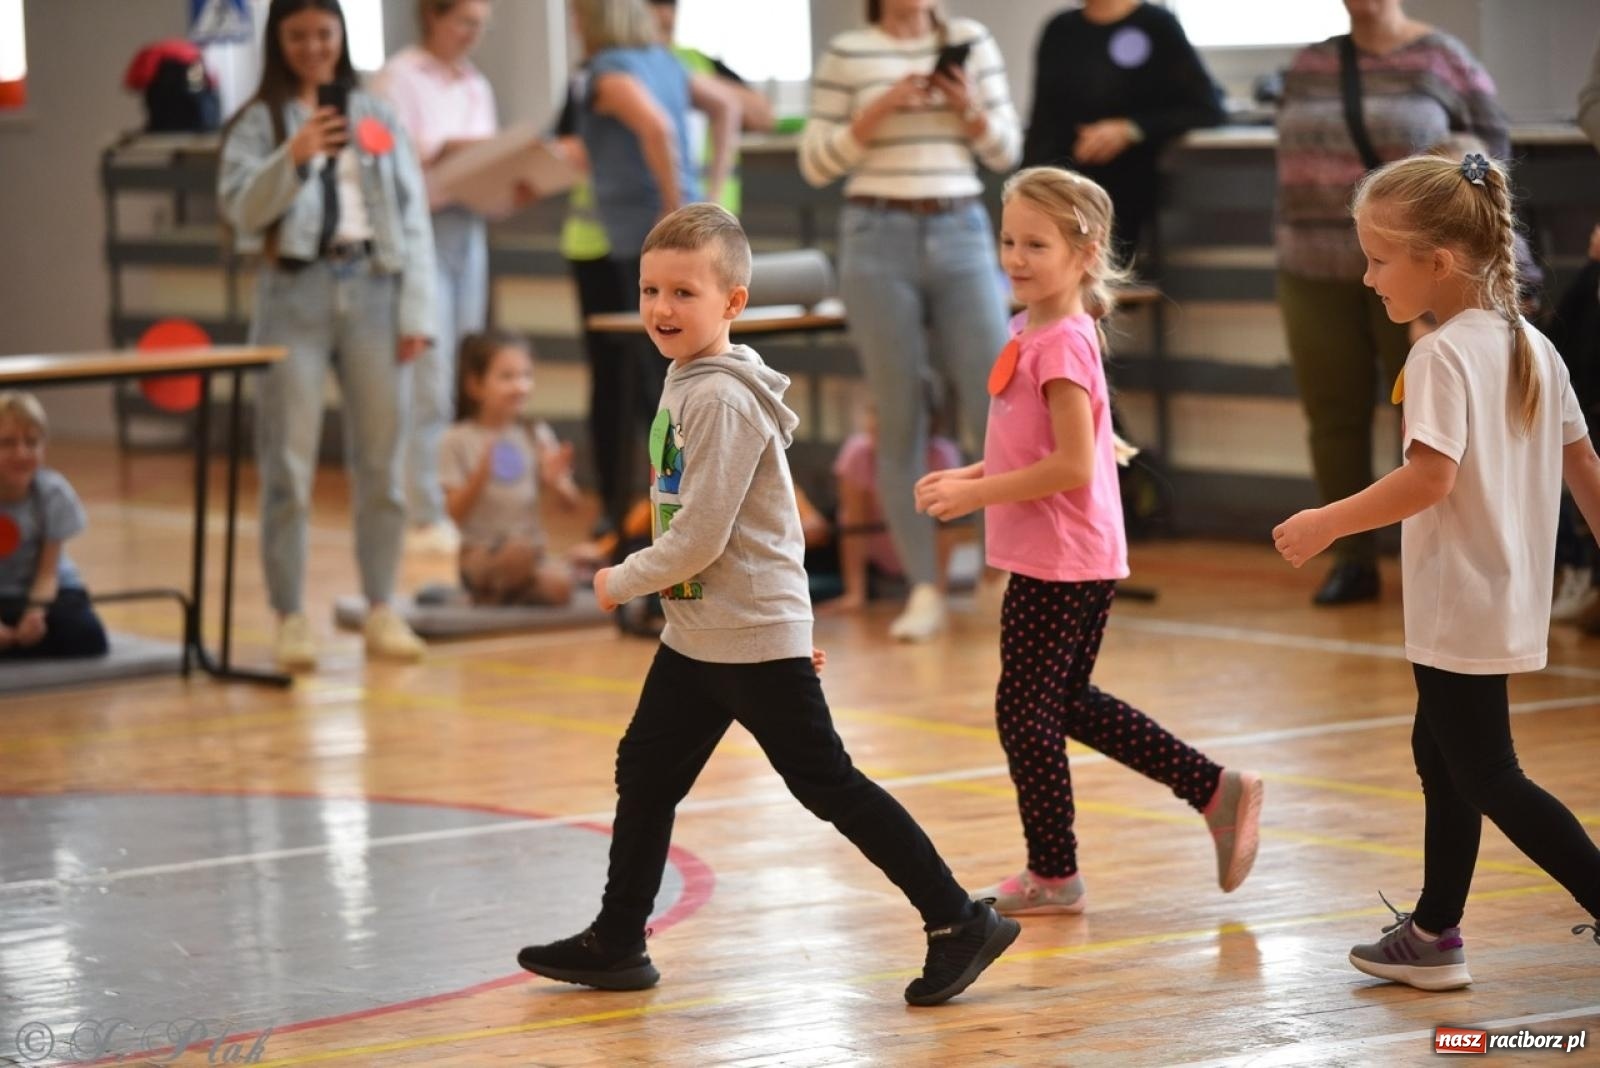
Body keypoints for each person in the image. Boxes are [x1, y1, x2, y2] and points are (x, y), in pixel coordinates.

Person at [515, 204, 1019, 1005]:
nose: (661, 308)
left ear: (733, 302)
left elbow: (701, 536)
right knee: (645, 770)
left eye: (684, 292)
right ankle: (618, 940)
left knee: (827, 783)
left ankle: (958, 920)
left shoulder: (719, 397)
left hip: (743, 633)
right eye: (650, 290)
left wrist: (619, 580)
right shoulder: (689, 378)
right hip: (702, 634)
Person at [1274, 152, 1600, 988]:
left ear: (1440, 262)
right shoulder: (1533, 344)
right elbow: (1586, 469)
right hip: (1503, 596)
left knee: (1487, 773)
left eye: (1379, 260)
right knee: (1443, 755)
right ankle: (1433, 932)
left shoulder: (1441, 356)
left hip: (1461, 601)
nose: (1366, 277)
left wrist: (1326, 521)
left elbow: (1429, 479)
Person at [914, 168, 1263, 915]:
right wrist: (969, 476)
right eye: (1008, 240)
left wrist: (974, 495)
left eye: (1035, 244)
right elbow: (1032, 450)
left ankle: (1054, 872)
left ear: (1085, 251)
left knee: (1025, 714)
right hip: (1059, 552)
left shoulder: (1064, 345)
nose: (1015, 257)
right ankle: (1212, 788)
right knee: (1064, 703)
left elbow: (1074, 464)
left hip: (1063, 557)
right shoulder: (1030, 328)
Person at [219, 0, 434, 670]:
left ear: (341, 35)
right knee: (287, 464)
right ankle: (290, 616)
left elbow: (413, 216)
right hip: (293, 296)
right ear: (277, 41)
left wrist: (417, 314)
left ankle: (381, 606)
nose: (313, 46)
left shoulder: (377, 114)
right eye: (297, 36)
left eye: (323, 33)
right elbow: (241, 211)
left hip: (375, 290)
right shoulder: (258, 120)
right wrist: (293, 155)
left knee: (382, 462)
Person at [1275, 0, 1509, 606]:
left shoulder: (1444, 58)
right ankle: (1349, 558)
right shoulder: (1310, 63)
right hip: (1310, 264)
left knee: (1424, 415)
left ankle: (1439, 559)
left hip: (1415, 269)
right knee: (1332, 414)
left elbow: (1486, 163)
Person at [801, 0, 1020, 641]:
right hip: (875, 232)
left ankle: (1004, 571)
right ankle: (924, 587)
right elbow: (815, 162)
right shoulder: (849, 52)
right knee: (899, 416)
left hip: (961, 226)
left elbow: (1006, 150)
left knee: (998, 406)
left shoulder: (970, 40)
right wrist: (878, 111)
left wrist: (968, 108)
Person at [561, 0, 717, 536]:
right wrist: (706, 191)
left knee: (660, 387)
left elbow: (657, 128)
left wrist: (672, 213)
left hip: (644, 246)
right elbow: (727, 106)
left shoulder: (607, 72)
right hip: (678, 242)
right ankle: (684, 513)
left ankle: (673, 518)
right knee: (685, 376)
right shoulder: (667, 63)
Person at [372, 0, 500, 556]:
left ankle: (458, 503)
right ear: (432, 16)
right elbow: (385, 167)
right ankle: (423, 510)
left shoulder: (476, 84)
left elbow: (487, 168)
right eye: (464, 22)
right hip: (418, 232)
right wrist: (439, 153)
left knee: (465, 370)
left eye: (481, 26)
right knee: (429, 373)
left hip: (467, 230)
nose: (473, 35)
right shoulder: (396, 79)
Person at [1020, 0, 1222, 262]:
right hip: (1064, 191)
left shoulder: (1157, 25)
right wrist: (1026, 191)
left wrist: (1131, 129)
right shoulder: (1060, 30)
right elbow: (1042, 123)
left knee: (1111, 273)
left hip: (1129, 196)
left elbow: (1205, 108)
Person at [440, 331, 580, 607]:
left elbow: (571, 504)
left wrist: (556, 483)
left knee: (560, 585)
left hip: (531, 553)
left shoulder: (535, 434)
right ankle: (495, 586)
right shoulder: (457, 439)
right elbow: (454, 514)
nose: (520, 386)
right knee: (518, 554)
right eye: (507, 377)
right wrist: (480, 476)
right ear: (475, 385)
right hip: (480, 553)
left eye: (526, 375)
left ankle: (497, 594)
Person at [0, 392, 109, 660]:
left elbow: (47, 573)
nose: (21, 453)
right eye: (7, 443)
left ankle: (16, 645)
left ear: (44, 448)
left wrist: (35, 614)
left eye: (31, 442)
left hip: (44, 592)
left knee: (88, 635)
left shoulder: (52, 493)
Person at [827, 398, 962, 612]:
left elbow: (946, 529)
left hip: (923, 565)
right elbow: (854, 525)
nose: (876, 422)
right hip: (875, 568)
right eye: (874, 413)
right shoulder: (858, 452)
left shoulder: (941, 455)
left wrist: (938, 590)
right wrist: (855, 592)